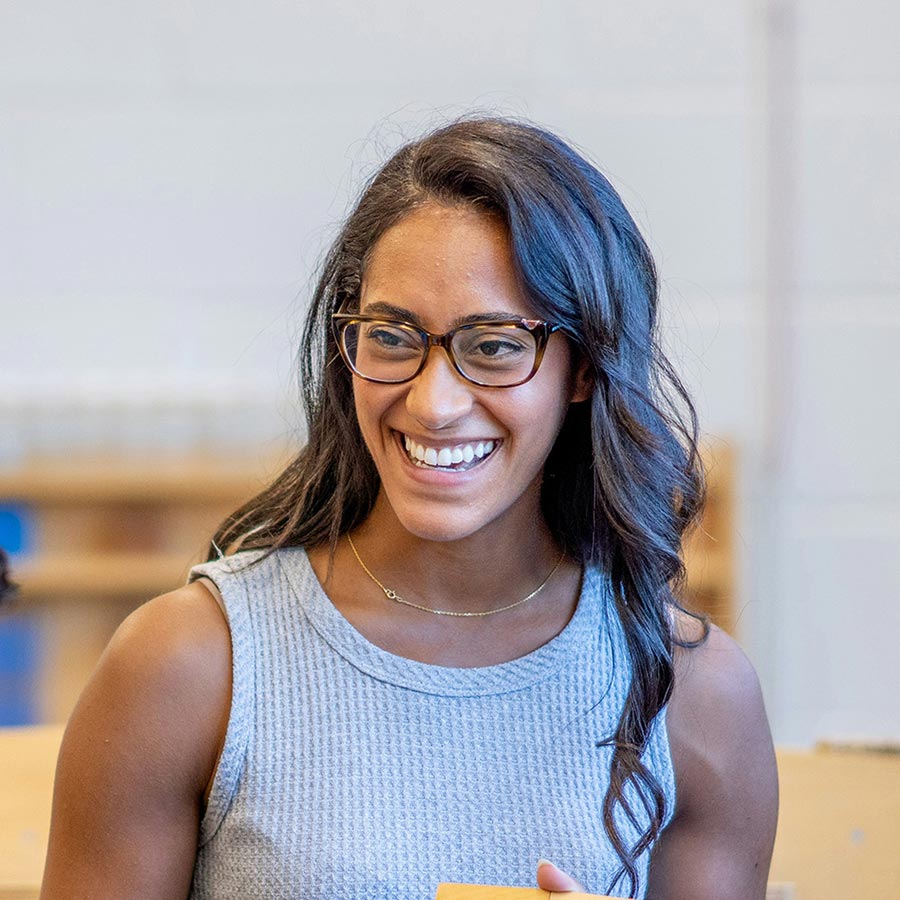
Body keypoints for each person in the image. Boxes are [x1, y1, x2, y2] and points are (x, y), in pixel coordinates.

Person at [40, 117, 777, 900]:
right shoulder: (188, 663)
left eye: (494, 346)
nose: (433, 404)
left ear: (586, 369)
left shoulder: (698, 694)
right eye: (392, 337)